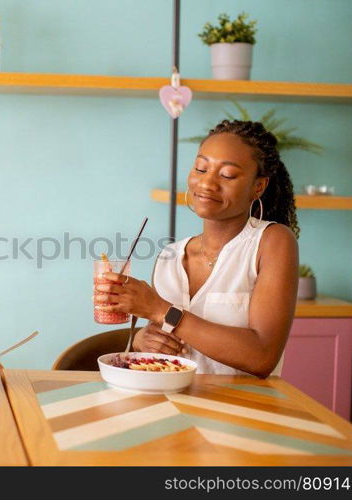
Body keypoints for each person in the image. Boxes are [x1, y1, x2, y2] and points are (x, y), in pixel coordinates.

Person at [94, 120, 299, 377]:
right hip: (174, 403)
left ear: (258, 186)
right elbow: (159, 348)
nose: (207, 183)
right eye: (201, 169)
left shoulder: (272, 241)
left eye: (227, 175)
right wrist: (143, 340)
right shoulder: (170, 257)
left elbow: (262, 357)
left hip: (243, 409)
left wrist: (160, 309)